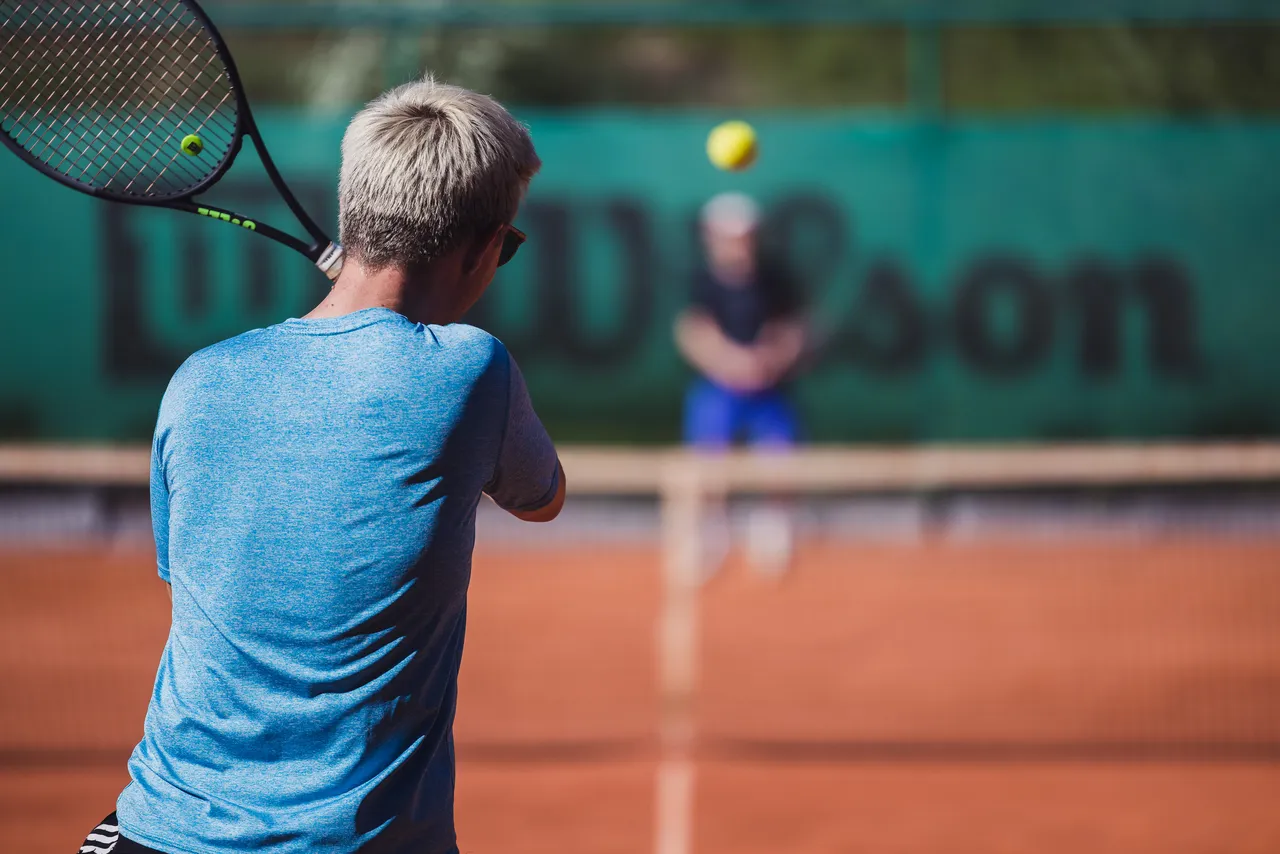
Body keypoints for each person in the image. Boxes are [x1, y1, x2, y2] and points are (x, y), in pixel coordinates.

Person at [81, 76, 564, 854]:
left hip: (161, 830)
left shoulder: (197, 378)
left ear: (355, 215)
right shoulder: (472, 370)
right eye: (506, 247)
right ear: (479, 250)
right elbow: (544, 498)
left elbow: (200, 577)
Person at [674, 192, 807, 572]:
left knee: (781, 457)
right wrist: (729, 362)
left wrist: (772, 357)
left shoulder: (777, 279)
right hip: (719, 387)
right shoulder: (701, 281)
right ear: (711, 238)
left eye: (744, 235)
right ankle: (712, 532)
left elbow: (795, 330)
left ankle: (774, 529)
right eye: (727, 235)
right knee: (708, 459)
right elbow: (693, 332)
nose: (737, 243)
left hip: (770, 389)